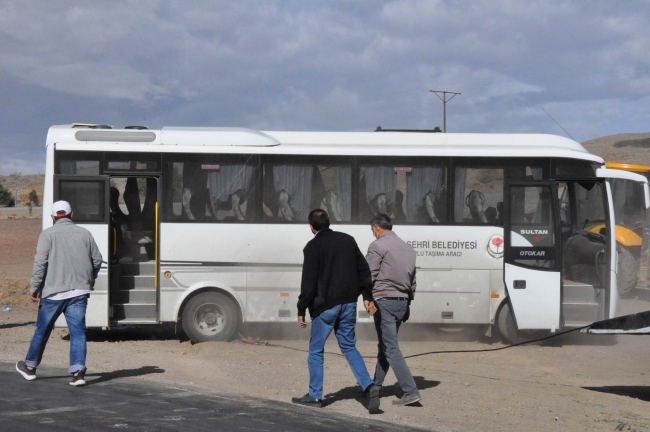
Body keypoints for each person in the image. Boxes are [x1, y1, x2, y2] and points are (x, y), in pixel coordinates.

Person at [293, 209, 380, 413]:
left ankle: (315, 395)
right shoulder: (347, 240)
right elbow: (364, 269)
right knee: (349, 347)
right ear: (328, 223)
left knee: (316, 350)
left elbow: (309, 282)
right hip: (349, 303)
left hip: (326, 307)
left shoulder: (312, 246)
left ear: (311, 227)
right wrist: (367, 296)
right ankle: (368, 386)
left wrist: (301, 308)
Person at [16, 200, 103, 386]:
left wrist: (34, 287)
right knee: (78, 332)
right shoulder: (85, 234)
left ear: (53, 217)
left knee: (42, 330)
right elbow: (97, 260)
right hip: (79, 292)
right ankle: (78, 373)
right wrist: (89, 280)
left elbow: (40, 264)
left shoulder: (47, 235)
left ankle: (30, 367)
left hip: (53, 293)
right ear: (72, 215)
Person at [364, 213, 421, 406]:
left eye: (372, 229)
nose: (373, 233)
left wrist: (366, 297)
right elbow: (412, 281)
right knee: (385, 345)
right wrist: (408, 304)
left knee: (390, 347)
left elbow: (368, 274)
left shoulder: (377, 246)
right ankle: (376, 387)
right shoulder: (408, 248)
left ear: (377, 227)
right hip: (401, 302)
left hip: (384, 301)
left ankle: (410, 391)